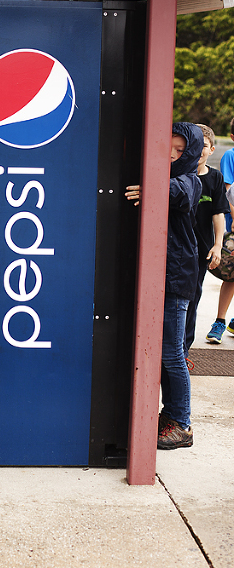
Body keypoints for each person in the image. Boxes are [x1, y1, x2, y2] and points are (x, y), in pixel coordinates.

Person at [125, 122, 203, 450]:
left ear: (192, 155)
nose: (171, 155)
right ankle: (169, 416)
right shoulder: (165, 179)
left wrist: (151, 188)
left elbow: (179, 192)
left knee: (173, 355)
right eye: (166, 148)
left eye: (179, 151)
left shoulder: (191, 182)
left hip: (177, 279)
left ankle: (182, 423)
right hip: (164, 277)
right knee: (162, 355)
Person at [185, 124, 227, 356]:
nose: (199, 150)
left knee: (193, 299)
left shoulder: (215, 178)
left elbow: (217, 214)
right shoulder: (179, 174)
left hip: (201, 251)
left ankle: (184, 350)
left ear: (211, 150)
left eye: (204, 146)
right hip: (176, 248)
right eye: (196, 144)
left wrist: (218, 245)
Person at [206, 117, 234, 343]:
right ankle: (220, 321)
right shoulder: (230, 156)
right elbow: (228, 192)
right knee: (230, 275)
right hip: (233, 226)